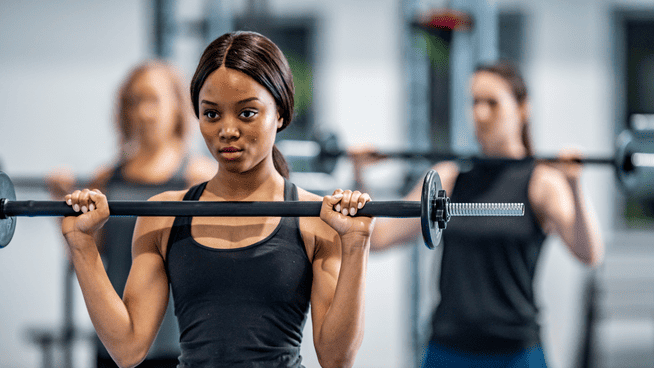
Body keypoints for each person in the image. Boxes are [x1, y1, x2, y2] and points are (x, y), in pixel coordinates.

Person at [60, 31, 375, 368]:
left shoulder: (315, 220)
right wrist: (82, 245)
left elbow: (336, 359)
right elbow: (128, 348)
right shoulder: (163, 214)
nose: (227, 130)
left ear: (280, 113)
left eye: (247, 113)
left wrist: (356, 245)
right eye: (212, 114)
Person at [350, 60, 604, 367]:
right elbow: (378, 239)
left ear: (523, 109)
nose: (480, 114)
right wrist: (359, 177)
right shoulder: (449, 177)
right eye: (474, 103)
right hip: (448, 349)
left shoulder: (541, 182)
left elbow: (589, 253)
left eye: (493, 103)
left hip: (516, 352)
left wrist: (575, 184)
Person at [46, 60, 216, 367]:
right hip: (114, 336)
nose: (143, 112)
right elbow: (82, 256)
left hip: (180, 342)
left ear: (177, 106)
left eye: (153, 100)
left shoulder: (199, 177)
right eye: (134, 102)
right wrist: (60, 201)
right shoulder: (106, 179)